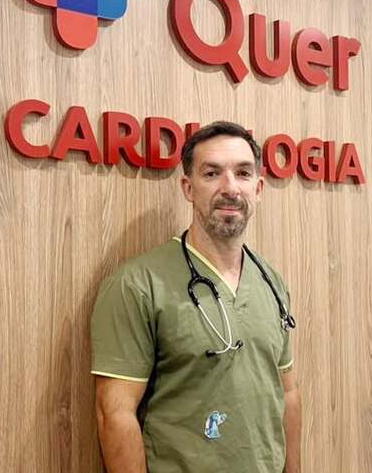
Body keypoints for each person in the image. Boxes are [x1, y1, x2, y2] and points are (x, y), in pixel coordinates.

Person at [91, 121, 302, 472]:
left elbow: (288, 394)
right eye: (212, 173)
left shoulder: (271, 281)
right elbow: (114, 413)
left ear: (259, 188)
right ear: (188, 188)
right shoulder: (139, 284)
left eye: (243, 173)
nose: (230, 188)